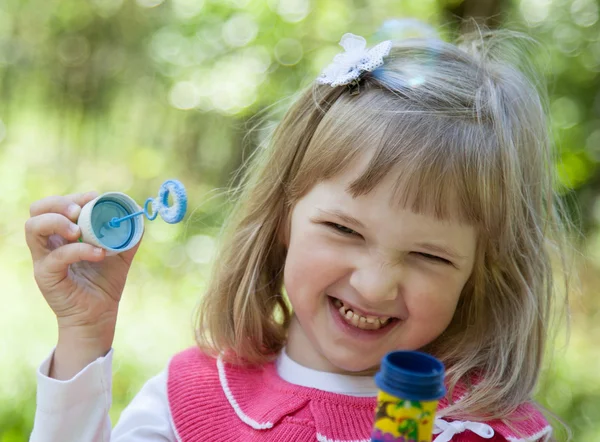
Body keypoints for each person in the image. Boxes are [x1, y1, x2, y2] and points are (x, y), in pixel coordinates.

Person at [26, 27, 570, 442]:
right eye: (343, 229)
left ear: (481, 270)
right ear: (282, 217)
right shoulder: (195, 401)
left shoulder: (486, 428)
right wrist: (84, 336)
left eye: (429, 255)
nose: (376, 285)